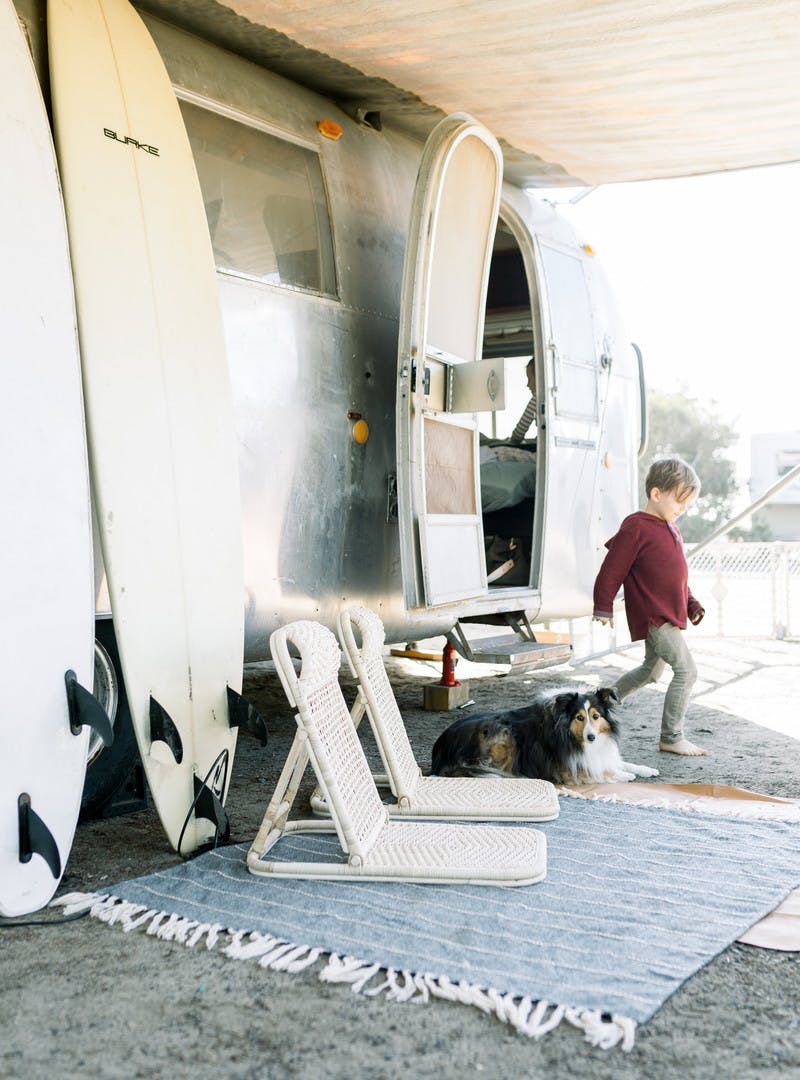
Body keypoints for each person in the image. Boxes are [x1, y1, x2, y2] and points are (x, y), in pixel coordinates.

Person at [593, 456, 707, 756]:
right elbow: (612, 568)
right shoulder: (637, 526)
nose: (682, 509)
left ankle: (601, 702)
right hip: (655, 616)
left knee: (650, 672)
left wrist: (691, 603)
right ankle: (671, 736)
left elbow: (676, 577)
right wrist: (602, 604)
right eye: (679, 501)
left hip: (670, 612)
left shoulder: (671, 528)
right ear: (656, 494)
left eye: (687, 504)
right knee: (686, 671)